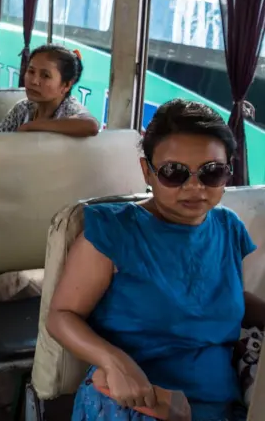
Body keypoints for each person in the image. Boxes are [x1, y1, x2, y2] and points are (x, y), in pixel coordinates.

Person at [47, 99, 265, 421]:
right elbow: (61, 315)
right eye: (174, 173)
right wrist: (114, 361)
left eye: (212, 172)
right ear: (146, 170)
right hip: (136, 402)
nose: (194, 187)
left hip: (221, 404)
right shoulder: (114, 230)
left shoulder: (228, 227)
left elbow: (223, 298)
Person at [0, 44, 99, 136]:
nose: (34, 81)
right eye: (31, 71)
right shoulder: (22, 109)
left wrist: (31, 126)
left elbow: (91, 125)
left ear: (66, 85)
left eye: (45, 75)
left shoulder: (69, 110)